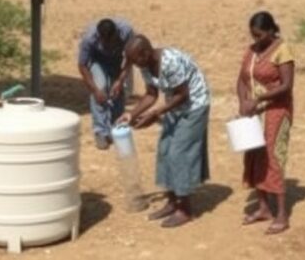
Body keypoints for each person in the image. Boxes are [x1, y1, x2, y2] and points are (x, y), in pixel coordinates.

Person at [117, 35, 211, 228]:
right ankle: (172, 201)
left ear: (145, 53)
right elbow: (151, 95)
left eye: (136, 60)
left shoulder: (170, 62)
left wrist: (156, 113)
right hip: (175, 105)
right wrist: (131, 115)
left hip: (195, 105)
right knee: (164, 150)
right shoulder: (145, 65)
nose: (135, 66)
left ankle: (185, 209)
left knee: (179, 153)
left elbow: (183, 94)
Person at [236, 11, 295, 235]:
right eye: (253, 35)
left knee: (273, 156)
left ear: (271, 31)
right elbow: (241, 79)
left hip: (276, 110)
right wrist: (244, 102)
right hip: (253, 112)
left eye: (259, 35)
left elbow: (287, 85)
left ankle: (281, 214)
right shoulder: (252, 51)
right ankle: (263, 208)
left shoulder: (282, 50)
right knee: (254, 155)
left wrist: (258, 99)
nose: (256, 39)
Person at [77, 18, 133, 150]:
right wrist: (95, 90)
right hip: (97, 61)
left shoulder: (126, 31)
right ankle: (101, 132)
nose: (108, 45)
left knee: (117, 92)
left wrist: (120, 80)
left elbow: (131, 58)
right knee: (100, 88)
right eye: (105, 42)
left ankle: (116, 128)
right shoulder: (89, 38)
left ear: (117, 35)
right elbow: (82, 66)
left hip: (118, 60)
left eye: (112, 41)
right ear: (99, 37)